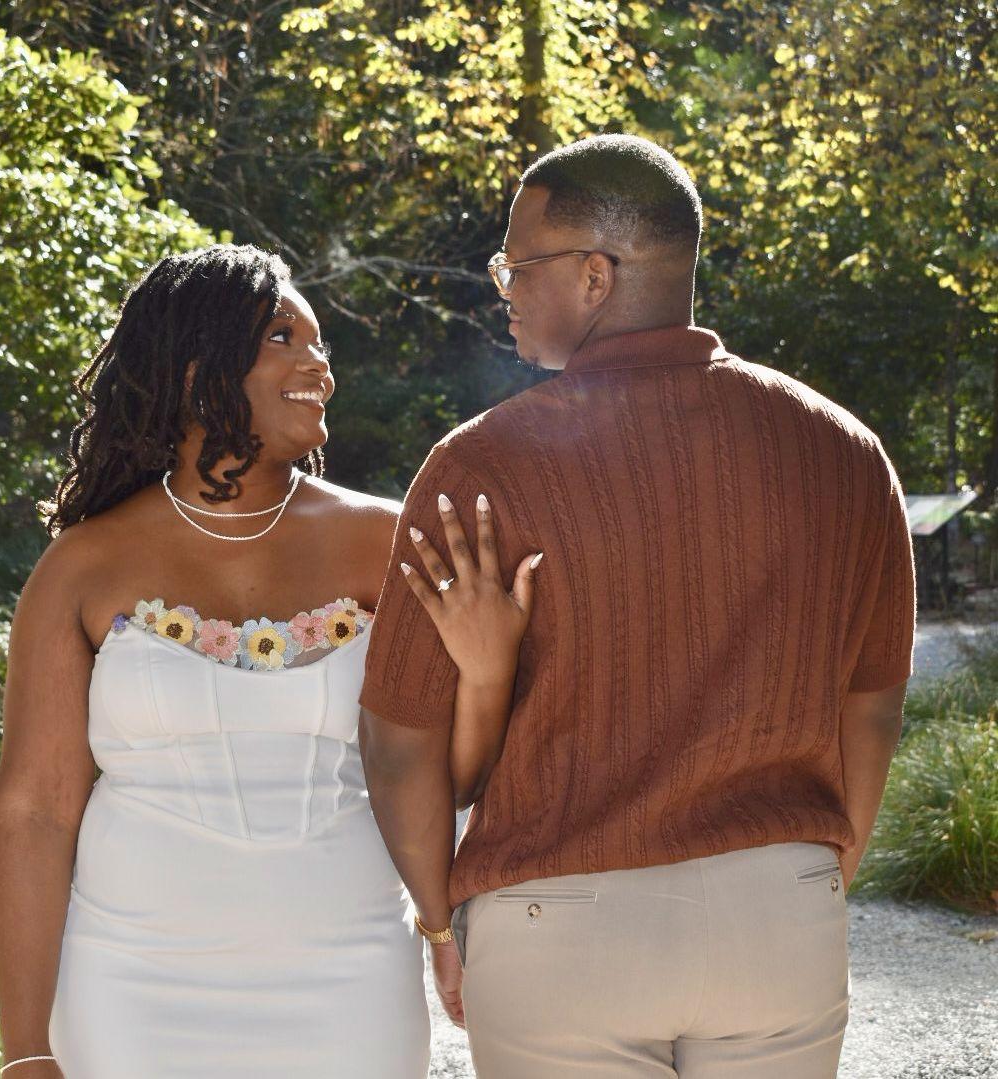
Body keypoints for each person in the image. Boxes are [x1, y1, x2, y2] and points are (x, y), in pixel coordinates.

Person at [359, 134, 916, 1078]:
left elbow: (397, 743)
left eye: (516, 265)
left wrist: (439, 921)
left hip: (556, 930)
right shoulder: (847, 452)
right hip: (779, 919)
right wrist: (815, 877)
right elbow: (872, 707)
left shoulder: (479, 466)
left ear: (594, 275)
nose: (503, 288)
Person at [0, 244, 538, 1078]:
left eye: (321, 345)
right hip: (128, 987)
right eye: (284, 337)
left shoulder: (389, 543)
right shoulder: (84, 566)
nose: (319, 367)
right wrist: (26, 1048)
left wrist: (489, 670)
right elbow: (35, 810)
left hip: (351, 980)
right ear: (193, 365)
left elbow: (444, 780)